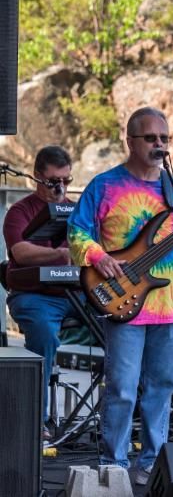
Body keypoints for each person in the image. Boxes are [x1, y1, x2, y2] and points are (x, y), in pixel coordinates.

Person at [67, 107, 173, 485]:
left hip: (169, 305)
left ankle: (152, 462)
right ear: (130, 141)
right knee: (123, 389)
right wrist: (100, 257)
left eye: (164, 138)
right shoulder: (105, 186)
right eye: (151, 138)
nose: (159, 144)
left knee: (163, 388)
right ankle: (116, 464)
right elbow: (76, 233)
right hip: (122, 302)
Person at [3, 146, 80, 437]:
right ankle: (36, 420)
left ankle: (125, 415)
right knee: (45, 335)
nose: (60, 188)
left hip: (73, 293)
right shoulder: (19, 211)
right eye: (53, 181)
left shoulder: (74, 211)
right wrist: (58, 256)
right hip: (33, 296)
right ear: (37, 177)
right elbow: (20, 252)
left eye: (66, 181)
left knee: (120, 322)